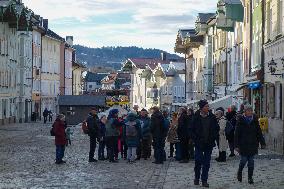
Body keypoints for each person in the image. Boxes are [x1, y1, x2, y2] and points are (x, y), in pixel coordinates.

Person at [190, 100, 219, 187]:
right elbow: (191, 129)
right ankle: (196, 177)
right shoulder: (196, 117)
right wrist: (195, 138)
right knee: (198, 161)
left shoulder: (212, 117)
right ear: (201, 108)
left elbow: (216, 128)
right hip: (199, 143)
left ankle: (204, 180)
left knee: (206, 163)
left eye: (208, 106)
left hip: (208, 143)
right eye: (206, 106)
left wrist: (213, 137)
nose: (208, 108)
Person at [235, 104, 266, 184]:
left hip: (252, 144)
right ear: (245, 112)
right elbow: (237, 134)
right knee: (243, 160)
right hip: (243, 144)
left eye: (251, 110)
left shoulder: (255, 120)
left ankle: (250, 178)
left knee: (251, 162)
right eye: (248, 110)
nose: (250, 112)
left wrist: (262, 142)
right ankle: (240, 171)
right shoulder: (241, 120)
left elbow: (259, 132)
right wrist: (236, 145)